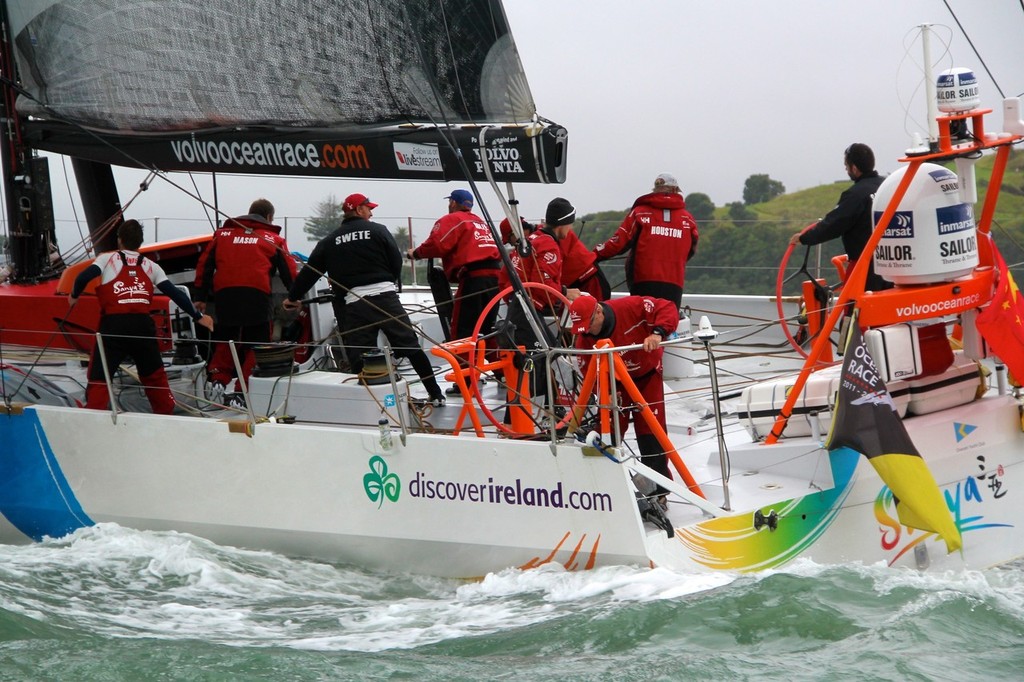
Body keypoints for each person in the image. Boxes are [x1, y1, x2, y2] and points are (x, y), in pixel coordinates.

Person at [283, 193, 446, 406]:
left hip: (354, 305)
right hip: (386, 300)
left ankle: (368, 403)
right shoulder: (379, 230)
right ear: (359, 210)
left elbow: (310, 273)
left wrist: (293, 297)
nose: (371, 212)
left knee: (358, 355)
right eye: (368, 208)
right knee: (410, 347)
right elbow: (396, 262)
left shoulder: (329, 241)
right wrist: (389, 282)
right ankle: (435, 394)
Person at [70, 219, 214, 413]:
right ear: (140, 242)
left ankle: (95, 412)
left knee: (100, 374)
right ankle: (166, 413)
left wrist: (73, 297)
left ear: (119, 239)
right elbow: (175, 294)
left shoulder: (107, 259)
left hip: (114, 326)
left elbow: (82, 278)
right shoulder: (151, 266)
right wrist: (198, 316)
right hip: (142, 328)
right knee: (154, 376)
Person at [569, 293, 679, 500]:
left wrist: (658, 333)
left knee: (651, 430)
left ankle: (659, 492)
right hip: (613, 384)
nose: (587, 332)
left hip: (646, 376)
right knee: (606, 430)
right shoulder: (585, 339)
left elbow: (667, 305)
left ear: (599, 311)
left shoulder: (631, 306)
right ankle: (602, 489)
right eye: (581, 328)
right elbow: (587, 371)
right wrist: (601, 395)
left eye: (589, 325)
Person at [194, 198, 297, 404]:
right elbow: (289, 271)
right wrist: (295, 297)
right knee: (257, 343)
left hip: (225, 295)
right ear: (269, 217)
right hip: (256, 294)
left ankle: (216, 380)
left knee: (227, 337)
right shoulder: (273, 239)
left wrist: (200, 297)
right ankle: (243, 391)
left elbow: (204, 266)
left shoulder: (222, 235)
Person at [498, 197, 580, 414]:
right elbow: (541, 285)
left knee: (546, 356)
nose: (570, 229)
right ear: (562, 224)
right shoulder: (549, 244)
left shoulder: (531, 240)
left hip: (520, 308)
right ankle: (519, 418)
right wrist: (565, 292)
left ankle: (552, 409)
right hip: (527, 312)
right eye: (570, 224)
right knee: (539, 360)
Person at [788, 143, 893, 292]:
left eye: (846, 165)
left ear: (854, 168)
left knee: (854, 311)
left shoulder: (855, 195)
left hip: (864, 267)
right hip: (892, 265)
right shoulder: (887, 185)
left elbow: (834, 224)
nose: (846, 169)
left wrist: (805, 238)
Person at [593, 173, 698, 309]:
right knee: (666, 323)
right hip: (674, 283)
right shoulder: (688, 219)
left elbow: (618, 243)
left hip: (643, 281)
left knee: (641, 324)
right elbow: (691, 250)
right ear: (675, 190)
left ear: (655, 190)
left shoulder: (640, 212)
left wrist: (595, 254)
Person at [406, 189, 501, 341]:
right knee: (487, 328)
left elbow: (436, 244)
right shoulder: (480, 222)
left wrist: (415, 253)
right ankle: (489, 361)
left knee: (464, 330)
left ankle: (465, 363)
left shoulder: (453, 219)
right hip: (495, 280)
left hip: (474, 279)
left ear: (453, 202)